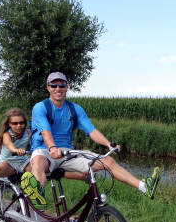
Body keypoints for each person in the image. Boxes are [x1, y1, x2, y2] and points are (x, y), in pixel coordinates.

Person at [21, 71, 160, 210]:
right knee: (39, 160)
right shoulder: (40, 107)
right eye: (54, 85)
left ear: (67, 87)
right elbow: (46, 132)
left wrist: (108, 144)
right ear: (48, 88)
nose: (58, 88)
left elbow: (92, 131)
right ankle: (37, 195)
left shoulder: (74, 109)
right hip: (44, 150)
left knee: (108, 162)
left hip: (67, 152)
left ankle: (144, 187)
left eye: (62, 85)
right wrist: (52, 148)